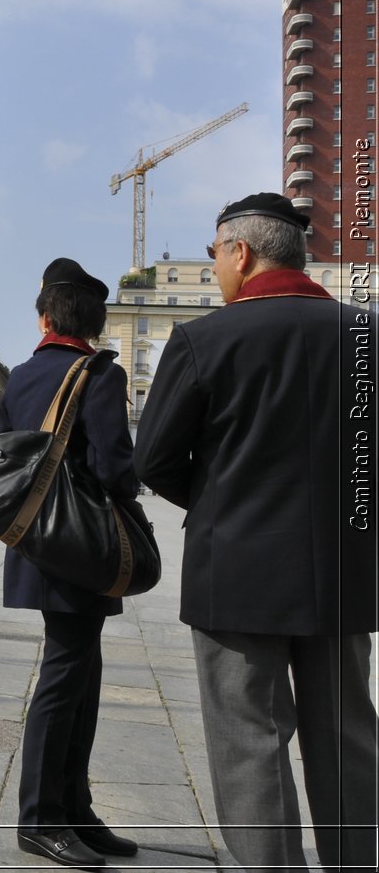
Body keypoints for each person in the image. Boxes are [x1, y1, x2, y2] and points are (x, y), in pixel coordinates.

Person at [135, 193, 379, 871]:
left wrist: (221, 502)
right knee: (348, 734)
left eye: (215, 254)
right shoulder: (367, 335)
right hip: (343, 571)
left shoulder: (204, 339)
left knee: (250, 738)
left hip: (236, 574)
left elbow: (152, 457)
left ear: (240, 252)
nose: (214, 268)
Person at [0, 259, 142, 870]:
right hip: (83, 546)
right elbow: (114, 468)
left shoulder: (24, 373)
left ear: (46, 316)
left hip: (38, 540)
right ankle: (40, 819)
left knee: (79, 676)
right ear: (95, 320)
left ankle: (75, 808)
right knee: (65, 683)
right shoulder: (99, 375)